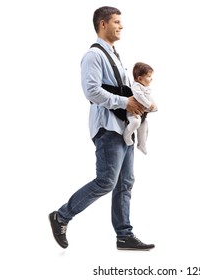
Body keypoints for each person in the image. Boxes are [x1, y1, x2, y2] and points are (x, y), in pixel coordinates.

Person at [49, 6, 155, 251]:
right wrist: (124, 102)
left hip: (123, 127)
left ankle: (124, 235)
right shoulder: (93, 56)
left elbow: (122, 90)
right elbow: (92, 91)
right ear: (103, 24)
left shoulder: (116, 56)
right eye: (117, 21)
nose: (121, 26)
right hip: (108, 129)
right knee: (107, 181)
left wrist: (139, 102)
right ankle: (61, 216)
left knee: (125, 182)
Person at [123, 62, 158, 154]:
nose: (151, 79)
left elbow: (149, 98)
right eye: (149, 76)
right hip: (133, 112)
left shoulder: (145, 87)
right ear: (140, 78)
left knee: (144, 126)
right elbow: (140, 97)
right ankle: (126, 135)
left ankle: (142, 144)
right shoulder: (136, 86)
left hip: (142, 112)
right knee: (136, 122)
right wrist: (149, 105)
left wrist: (153, 107)